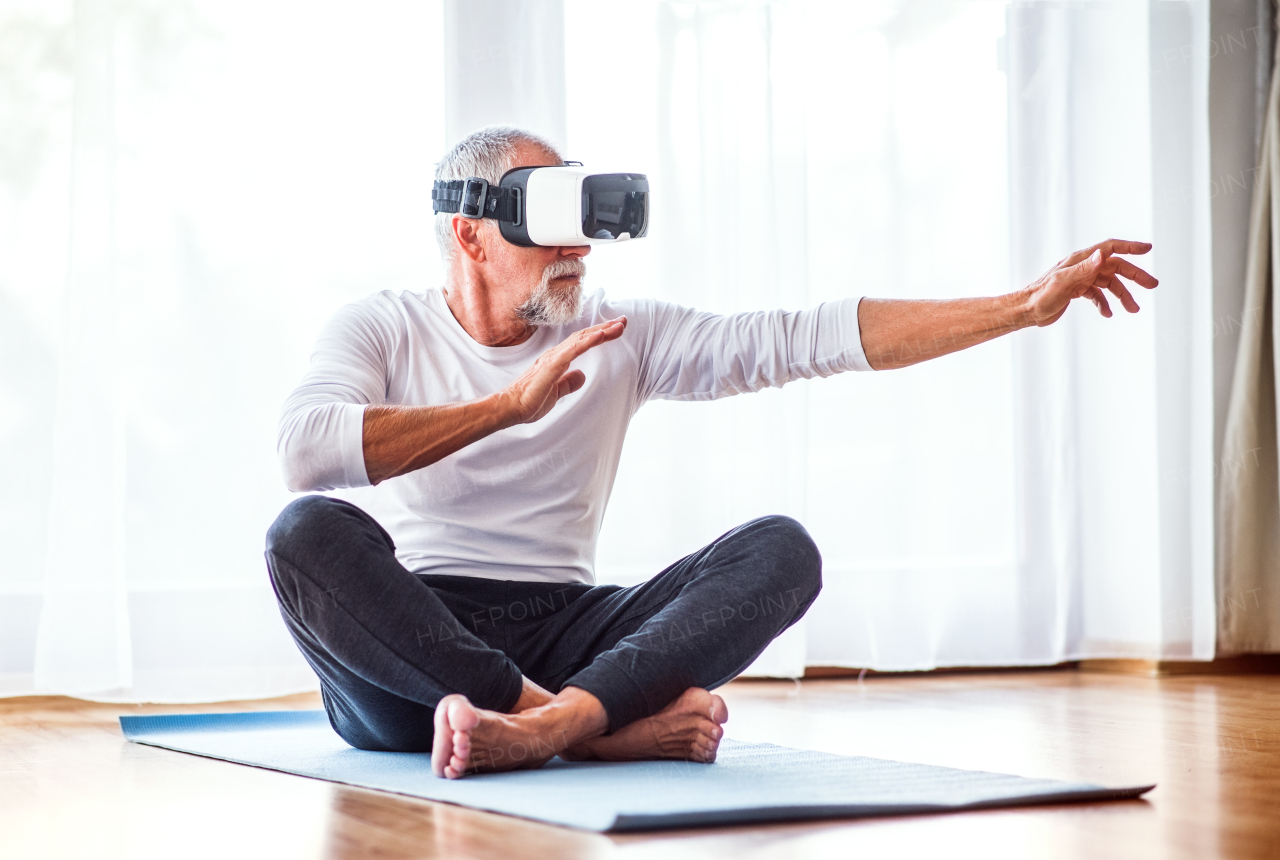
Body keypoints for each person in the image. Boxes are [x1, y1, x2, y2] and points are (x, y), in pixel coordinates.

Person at [265, 126, 1158, 780]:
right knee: (303, 531)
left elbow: (804, 337)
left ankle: (557, 717)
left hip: (571, 628)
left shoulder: (620, 332)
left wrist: (1023, 305)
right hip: (414, 650)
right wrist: (508, 407)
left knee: (781, 549)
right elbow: (307, 453)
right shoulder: (381, 326)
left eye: (586, 213)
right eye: (549, 217)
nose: (578, 243)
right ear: (469, 233)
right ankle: (581, 727)